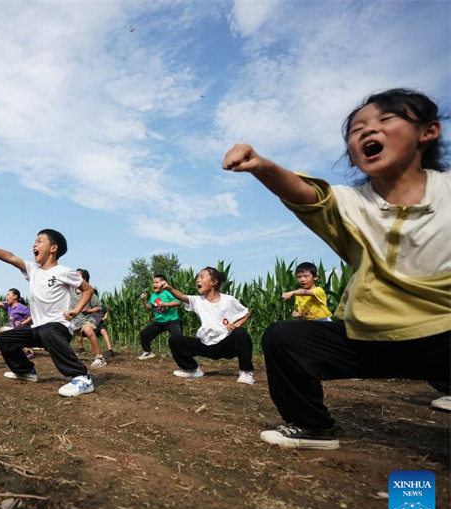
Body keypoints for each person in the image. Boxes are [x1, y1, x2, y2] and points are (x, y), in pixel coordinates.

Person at [222, 88, 451, 449]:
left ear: (428, 131)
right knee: (284, 338)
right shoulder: (351, 204)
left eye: (385, 120)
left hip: (443, 335)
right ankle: (310, 425)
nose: (367, 131)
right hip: (370, 338)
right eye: (357, 128)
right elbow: (306, 193)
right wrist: (262, 166)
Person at [0, 230, 96, 397]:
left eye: (39, 241)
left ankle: (82, 377)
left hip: (60, 328)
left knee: (47, 330)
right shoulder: (33, 269)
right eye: (34, 242)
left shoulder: (64, 271)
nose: (34, 245)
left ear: (53, 248)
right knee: (5, 338)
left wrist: (75, 311)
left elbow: (88, 289)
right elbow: (9, 257)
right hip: (39, 329)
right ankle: (26, 371)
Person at [162, 268, 254, 384]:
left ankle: (246, 372)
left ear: (213, 282)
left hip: (224, 343)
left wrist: (236, 325)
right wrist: (169, 288)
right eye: (197, 277)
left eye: (202, 277)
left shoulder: (228, 300)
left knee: (241, 333)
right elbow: (182, 297)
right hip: (205, 344)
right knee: (174, 340)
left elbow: (246, 313)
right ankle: (191, 369)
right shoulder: (198, 301)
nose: (197, 280)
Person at [138, 275, 182, 360]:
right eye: (153, 282)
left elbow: (178, 302)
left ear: (163, 283)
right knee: (144, 334)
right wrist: (143, 300)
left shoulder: (167, 292)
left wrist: (165, 304)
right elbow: (150, 308)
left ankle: (184, 355)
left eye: (156, 282)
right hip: (159, 321)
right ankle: (148, 352)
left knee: (178, 339)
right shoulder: (154, 295)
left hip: (171, 320)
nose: (154, 284)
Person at [71, 268, 107, 369]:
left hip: (90, 317)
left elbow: (99, 307)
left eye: (77, 276)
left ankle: (100, 358)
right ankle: (72, 355)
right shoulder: (70, 291)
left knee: (87, 329)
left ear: (84, 279)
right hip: (77, 319)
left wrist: (88, 311)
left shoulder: (89, 292)